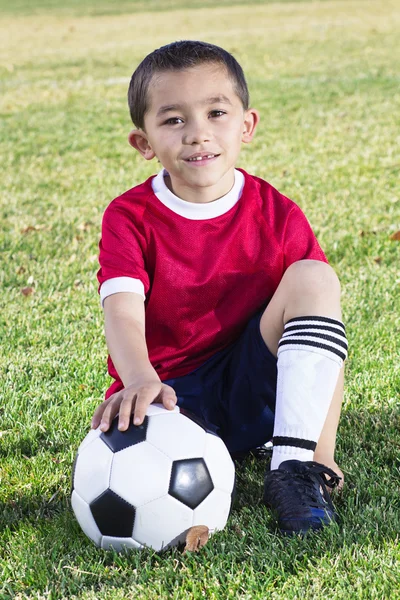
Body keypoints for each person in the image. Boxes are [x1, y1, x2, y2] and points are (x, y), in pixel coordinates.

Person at [91, 40, 348, 535]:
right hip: (170, 397)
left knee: (315, 278)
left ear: (246, 125)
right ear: (143, 142)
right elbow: (122, 309)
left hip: (253, 384)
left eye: (215, 113)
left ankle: (293, 470)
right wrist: (140, 379)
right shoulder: (130, 217)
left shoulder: (276, 213)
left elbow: (322, 338)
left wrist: (324, 453)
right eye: (173, 120)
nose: (198, 134)